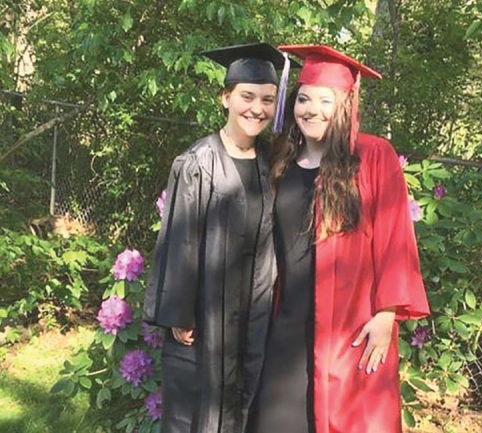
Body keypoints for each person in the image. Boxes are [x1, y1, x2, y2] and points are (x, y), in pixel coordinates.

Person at [248, 45, 430, 433]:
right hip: (288, 318)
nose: (311, 109)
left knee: (346, 420)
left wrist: (386, 314)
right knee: (275, 420)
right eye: (304, 98)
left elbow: (395, 236)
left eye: (325, 100)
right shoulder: (281, 158)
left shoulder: (373, 155)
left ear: (345, 104)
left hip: (350, 323)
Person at [143, 43, 296, 433]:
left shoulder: (268, 163)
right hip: (206, 314)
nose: (256, 109)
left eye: (267, 100)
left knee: (243, 402)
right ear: (225, 97)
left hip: (252, 312)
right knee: (198, 407)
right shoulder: (196, 163)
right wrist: (180, 313)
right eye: (247, 96)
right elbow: (179, 239)